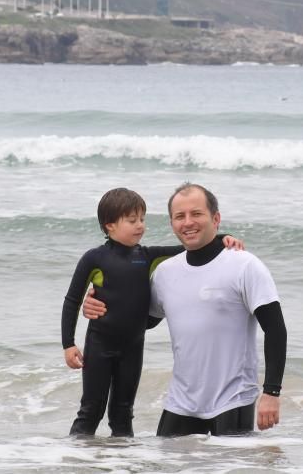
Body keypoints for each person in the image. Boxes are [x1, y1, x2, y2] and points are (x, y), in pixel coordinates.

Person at [83, 183, 287, 436]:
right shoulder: (165, 273)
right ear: (172, 224)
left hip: (232, 399)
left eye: (196, 214)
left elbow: (276, 329)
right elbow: (138, 320)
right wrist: (98, 304)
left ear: (216, 218)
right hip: (180, 403)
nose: (188, 222)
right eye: (180, 216)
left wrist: (271, 392)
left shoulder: (244, 265)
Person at [61, 187, 243, 437]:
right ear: (110, 226)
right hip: (100, 345)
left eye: (142, 219)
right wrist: (68, 344)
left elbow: (192, 247)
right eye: (132, 220)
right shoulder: (94, 258)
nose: (140, 226)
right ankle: (76, 462)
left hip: (133, 348)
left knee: (123, 413)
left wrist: (224, 238)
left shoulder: (147, 257)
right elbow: (72, 300)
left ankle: (124, 464)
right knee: (91, 410)